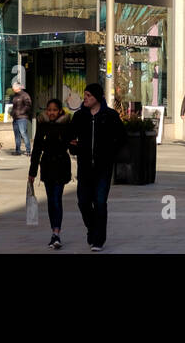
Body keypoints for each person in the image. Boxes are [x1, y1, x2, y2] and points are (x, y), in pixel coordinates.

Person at [68, 83, 126, 251]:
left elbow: (122, 138)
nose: (85, 99)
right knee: (83, 202)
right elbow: (70, 138)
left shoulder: (110, 116)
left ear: (98, 98)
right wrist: (74, 147)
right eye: (85, 95)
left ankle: (99, 239)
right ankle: (92, 228)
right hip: (85, 168)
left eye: (89, 96)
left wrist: (110, 153)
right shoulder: (79, 116)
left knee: (100, 202)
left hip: (103, 168)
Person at [28, 99, 72, 249]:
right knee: (50, 200)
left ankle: (56, 233)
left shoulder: (66, 126)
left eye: (54, 110)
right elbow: (37, 150)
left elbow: (71, 146)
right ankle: (54, 232)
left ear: (60, 111)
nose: (51, 112)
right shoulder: (42, 125)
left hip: (61, 166)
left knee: (56, 199)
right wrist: (32, 171)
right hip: (47, 166)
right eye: (49, 110)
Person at [10, 83, 34, 156]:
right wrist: (12, 113)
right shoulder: (15, 96)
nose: (12, 88)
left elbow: (28, 105)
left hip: (22, 118)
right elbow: (14, 107)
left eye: (13, 87)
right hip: (15, 118)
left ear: (17, 88)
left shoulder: (25, 95)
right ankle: (18, 150)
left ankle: (28, 150)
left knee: (23, 133)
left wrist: (21, 112)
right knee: (17, 135)